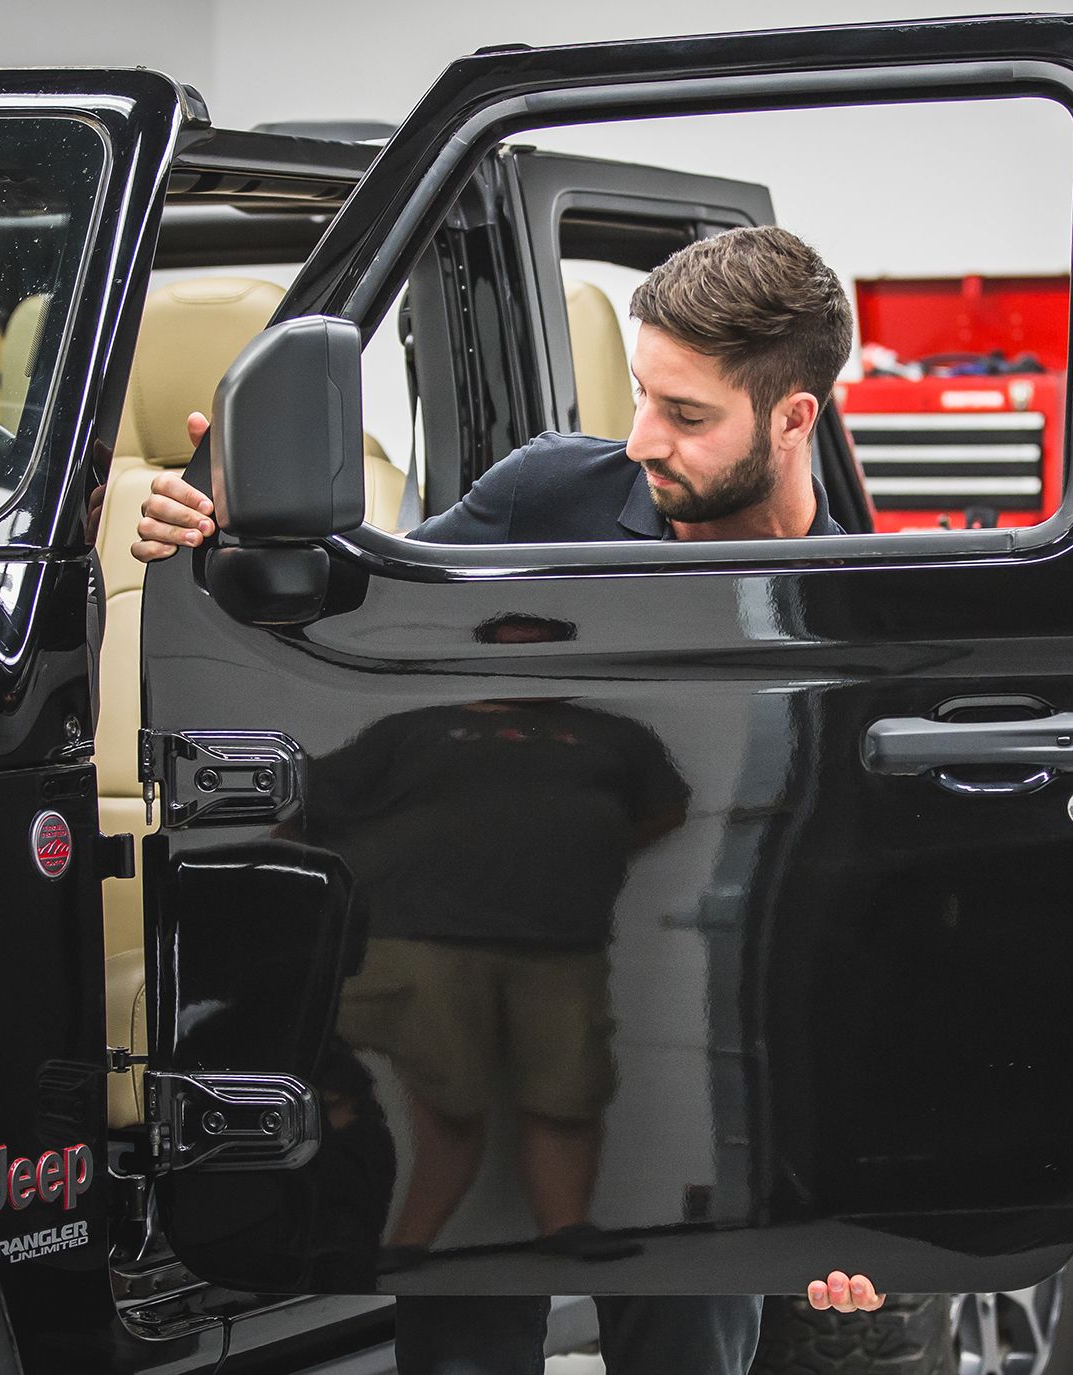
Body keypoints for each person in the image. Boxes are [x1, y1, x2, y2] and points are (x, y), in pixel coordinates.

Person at [134, 225, 880, 1374]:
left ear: (794, 418)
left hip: (705, 1045)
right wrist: (228, 528)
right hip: (489, 1004)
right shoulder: (548, 494)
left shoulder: (868, 601)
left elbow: (866, 935)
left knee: (688, 1355)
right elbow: (354, 629)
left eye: (687, 415)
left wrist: (854, 1198)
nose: (641, 441)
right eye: (642, 394)